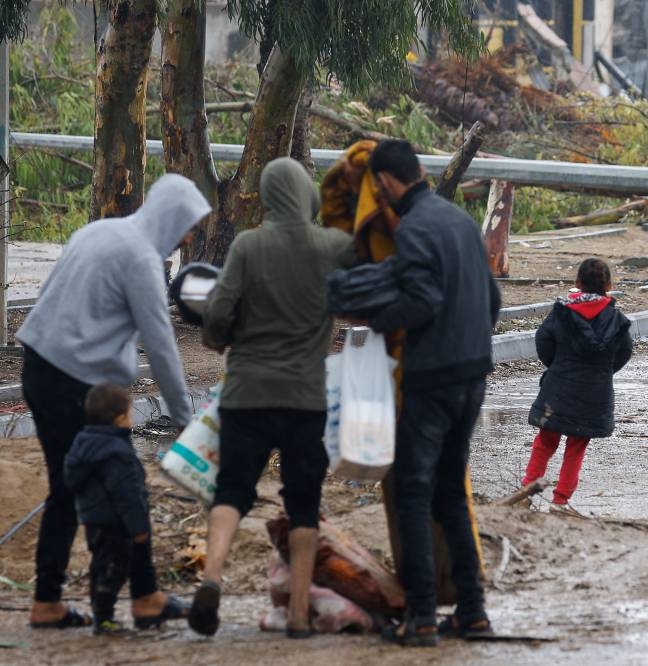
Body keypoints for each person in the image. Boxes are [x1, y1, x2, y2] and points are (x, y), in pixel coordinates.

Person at [17, 174, 210, 629]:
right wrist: (187, 421)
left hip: (39, 369)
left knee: (68, 487)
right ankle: (138, 598)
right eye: (188, 226)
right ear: (171, 217)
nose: (187, 237)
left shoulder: (100, 231)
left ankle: (62, 599)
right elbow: (160, 343)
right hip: (76, 388)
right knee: (123, 485)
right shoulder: (140, 258)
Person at [190, 157, 356, 638]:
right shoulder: (331, 246)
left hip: (246, 393)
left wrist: (219, 338)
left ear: (266, 196)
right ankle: (301, 612)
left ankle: (212, 579)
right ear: (305, 194)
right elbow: (367, 266)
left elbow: (218, 311)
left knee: (232, 491)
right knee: (304, 502)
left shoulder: (248, 244)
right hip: (304, 398)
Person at [364, 139, 500, 647]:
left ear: (385, 183)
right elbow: (493, 298)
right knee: (449, 494)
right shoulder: (460, 220)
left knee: (414, 493)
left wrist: (380, 320)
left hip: (433, 378)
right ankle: (473, 611)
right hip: (472, 377)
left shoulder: (414, 228)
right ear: (419, 169)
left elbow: (421, 300)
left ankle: (420, 616)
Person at [63, 384, 187, 634]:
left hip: (92, 520)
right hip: (117, 524)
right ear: (120, 418)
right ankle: (104, 619)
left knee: (99, 566)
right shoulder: (118, 453)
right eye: (130, 414)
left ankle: (101, 613)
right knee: (115, 571)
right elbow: (127, 496)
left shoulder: (82, 443)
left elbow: (70, 478)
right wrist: (140, 528)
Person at [522, 258, 633, 515]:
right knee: (576, 447)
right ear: (609, 285)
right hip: (594, 393)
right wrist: (602, 372)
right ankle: (560, 502)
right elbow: (624, 352)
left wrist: (557, 365)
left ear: (577, 283)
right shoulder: (616, 320)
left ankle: (525, 493)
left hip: (558, 388)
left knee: (545, 441)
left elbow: (543, 341)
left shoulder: (562, 313)